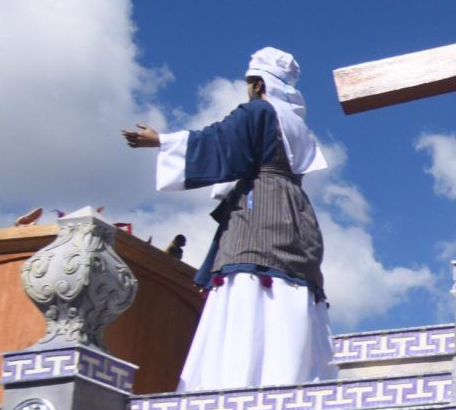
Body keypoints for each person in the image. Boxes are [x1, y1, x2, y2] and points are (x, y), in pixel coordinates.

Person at [123, 46, 339, 392]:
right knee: (287, 292)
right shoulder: (298, 126)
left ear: (257, 83)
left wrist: (161, 141)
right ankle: (290, 380)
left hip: (261, 210)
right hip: (296, 215)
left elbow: (220, 141)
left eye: (250, 82)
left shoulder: (259, 112)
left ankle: (238, 384)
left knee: (248, 283)